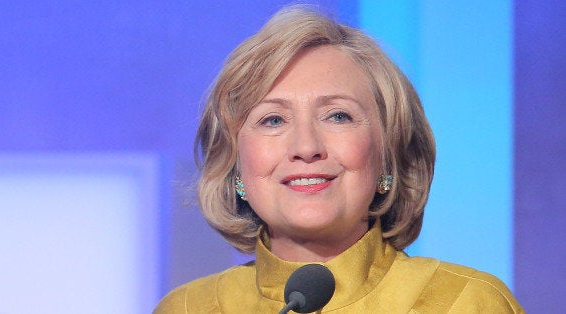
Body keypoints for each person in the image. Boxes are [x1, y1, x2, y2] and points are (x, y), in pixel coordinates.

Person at [155, 5, 523, 313]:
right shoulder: (188, 307)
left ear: (387, 157)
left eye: (338, 116)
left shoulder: (466, 303)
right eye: (273, 120)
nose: (306, 146)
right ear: (235, 165)